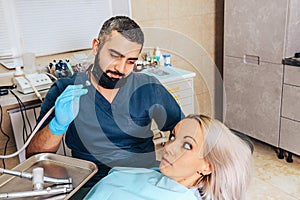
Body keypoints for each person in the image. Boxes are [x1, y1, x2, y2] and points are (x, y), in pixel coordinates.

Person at [26, 15, 184, 188]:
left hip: (144, 179)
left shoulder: (148, 87)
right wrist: (57, 126)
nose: (121, 68)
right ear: (96, 46)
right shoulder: (66, 89)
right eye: (115, 56)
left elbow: (184, 130)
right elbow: (33, 154)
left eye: (130, 61)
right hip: (91, 184)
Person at [84, 114, 253, 200]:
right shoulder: (150, 174)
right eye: (173, 137)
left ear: (207, 166)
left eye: (187, 145)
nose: (169, 147)